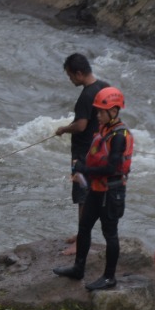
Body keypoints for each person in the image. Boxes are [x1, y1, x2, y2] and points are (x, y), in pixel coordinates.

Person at [52, 86, 133, 291]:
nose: (97, 115)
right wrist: (84, 168)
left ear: (113, 111)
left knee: (110, 234)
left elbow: (112, 167)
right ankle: (78, 268)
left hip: (111, 192)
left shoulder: (119, 136)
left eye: (100, 111)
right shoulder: (104, 129)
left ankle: (109, 278)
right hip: (97, 190)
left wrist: (84, 169)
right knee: (84, 226)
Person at [54, 54, 109, 253]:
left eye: (70, 76)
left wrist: (63, 129)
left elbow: (81, 125)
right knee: (90, 194)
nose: (70, 80)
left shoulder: (86, 95)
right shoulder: (104, 87)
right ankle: (82, 234)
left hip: (83, 153)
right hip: (99, 150)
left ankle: (81, 242)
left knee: (82, 196)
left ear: (79, 73)